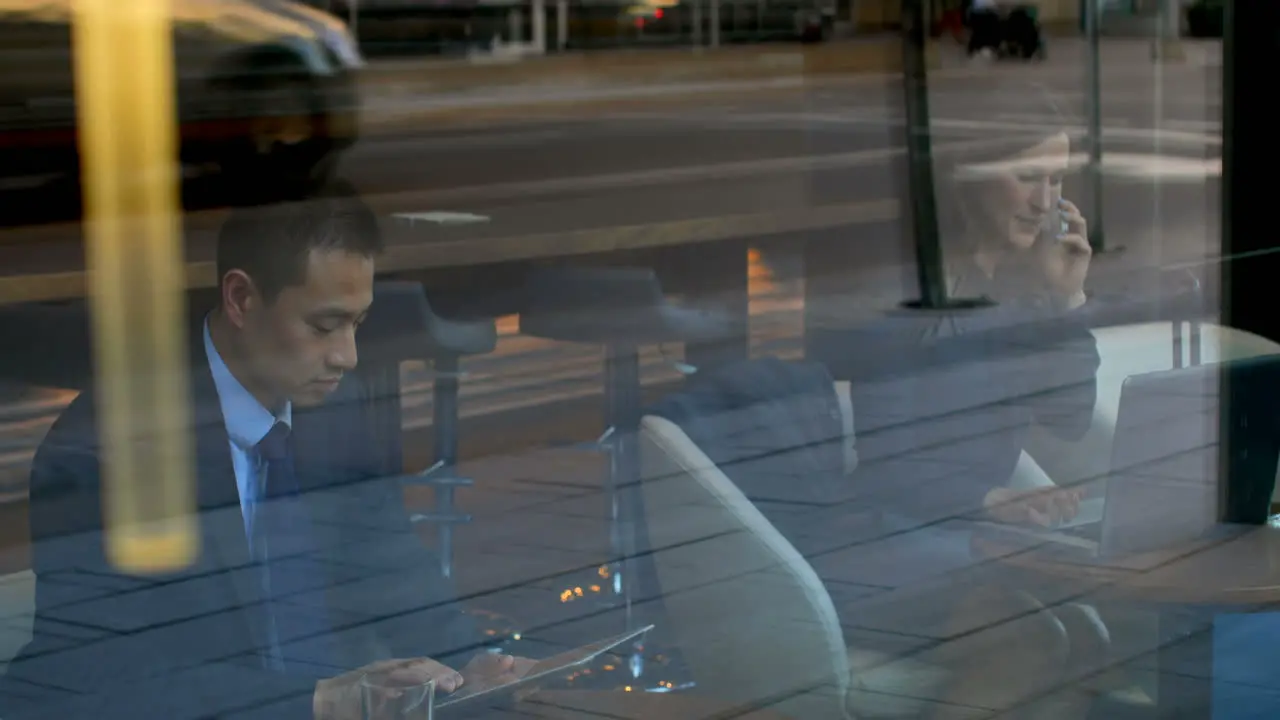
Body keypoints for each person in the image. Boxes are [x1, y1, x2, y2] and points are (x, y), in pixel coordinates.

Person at [4, 184, 530, 720]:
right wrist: (316, 702)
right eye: (324, 326)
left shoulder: (334, 408)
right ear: (240, 299)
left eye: (358, 324)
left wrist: (471, 661)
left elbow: (386, 562)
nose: (347, 356)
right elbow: (99, 674)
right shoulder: (100, 454)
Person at [808, 84, 1108, 717]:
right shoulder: (915, 291)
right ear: (971, 176)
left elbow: (1070, 418)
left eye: (1057, 181)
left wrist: (1067, 302)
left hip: (968, 536)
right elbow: (891, 461)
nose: (1045, 202)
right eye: (1028, 176)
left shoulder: (1023, 291)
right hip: (882, 542)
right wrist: (990, 500)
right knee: (1030, 642)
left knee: (1088, 636)